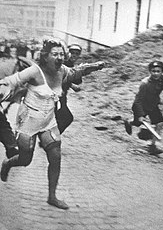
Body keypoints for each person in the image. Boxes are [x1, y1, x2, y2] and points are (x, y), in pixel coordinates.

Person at [0, 38, 104, 209]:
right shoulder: (34, 71)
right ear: (45, 56)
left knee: (55, 157)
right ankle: (8, 163)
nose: (59, 57)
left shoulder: (62, 70)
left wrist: (94, 67)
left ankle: (52, 196)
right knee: (25, 160)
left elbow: (76, 72)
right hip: (28, 121)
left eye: (62, 54)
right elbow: (12, 81)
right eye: (55, 54)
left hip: (48, 120)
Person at [124, 60, 163, 155]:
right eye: (153, 71)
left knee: (160, 123)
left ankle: (152, 146)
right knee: (138, 123)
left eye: (158, 71)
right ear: (150, 71)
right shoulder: (145, 83)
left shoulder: (162, 80)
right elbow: (138, 101)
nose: (156, 73)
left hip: (153, 105)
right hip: (141, 106)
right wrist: (140, 114)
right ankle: (129, 122)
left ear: (162, 72)